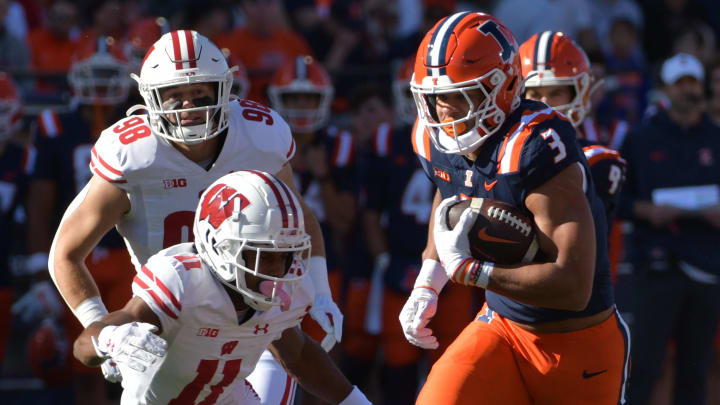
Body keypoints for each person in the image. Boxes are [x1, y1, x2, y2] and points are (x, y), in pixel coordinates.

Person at [48, 30, 343, 404]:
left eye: (201, 92)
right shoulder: (135, 156)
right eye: (175, 95)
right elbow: (66, 253)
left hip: (257, 314)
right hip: (174, 321)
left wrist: (319, 292)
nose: (189, 105)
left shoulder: (258, 138)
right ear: (150, 98)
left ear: (224, 90)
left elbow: (298, 218)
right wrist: (103, 328)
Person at [397, 12, 630, 404]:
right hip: (502, 327)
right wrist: (429, 279)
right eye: (435, 98)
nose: (445, 112)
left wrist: (472, 271)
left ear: (502, 86)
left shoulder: (536, 144)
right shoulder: (430, 135)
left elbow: (573, 287)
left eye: (459, 94)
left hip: (578, 340)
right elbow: (449, 191)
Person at [72, 170, 371, 405]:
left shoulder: (280, 292)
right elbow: (84, 346)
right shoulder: (183, 282)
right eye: (264, 255)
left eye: (286, 255)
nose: (278, 270)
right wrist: (109, 340)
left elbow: (299, 355)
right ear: (220, 246)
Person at [361, 74, 475, 403]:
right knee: (398, 361)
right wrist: (384, 261)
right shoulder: (388, 140)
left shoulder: (467, 137)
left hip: (456, 262)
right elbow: (372, 210)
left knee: (452, 359)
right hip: (402, 261)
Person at [617, 52, 720, 405]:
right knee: (645, 364)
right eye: (680, 83)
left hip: (707, 265)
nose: (688, 90)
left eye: (693, 81)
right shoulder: (641, 138)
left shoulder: (716, 137)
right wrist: (646, 210)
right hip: (656, 262)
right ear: (665, 89)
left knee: (696, 368)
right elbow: (615, 198)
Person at [519, 31, 627, 224]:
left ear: (579, 94)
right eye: (534, 93)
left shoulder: (599, 160)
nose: (545, 104)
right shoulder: (507, 155)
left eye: (556, 92)